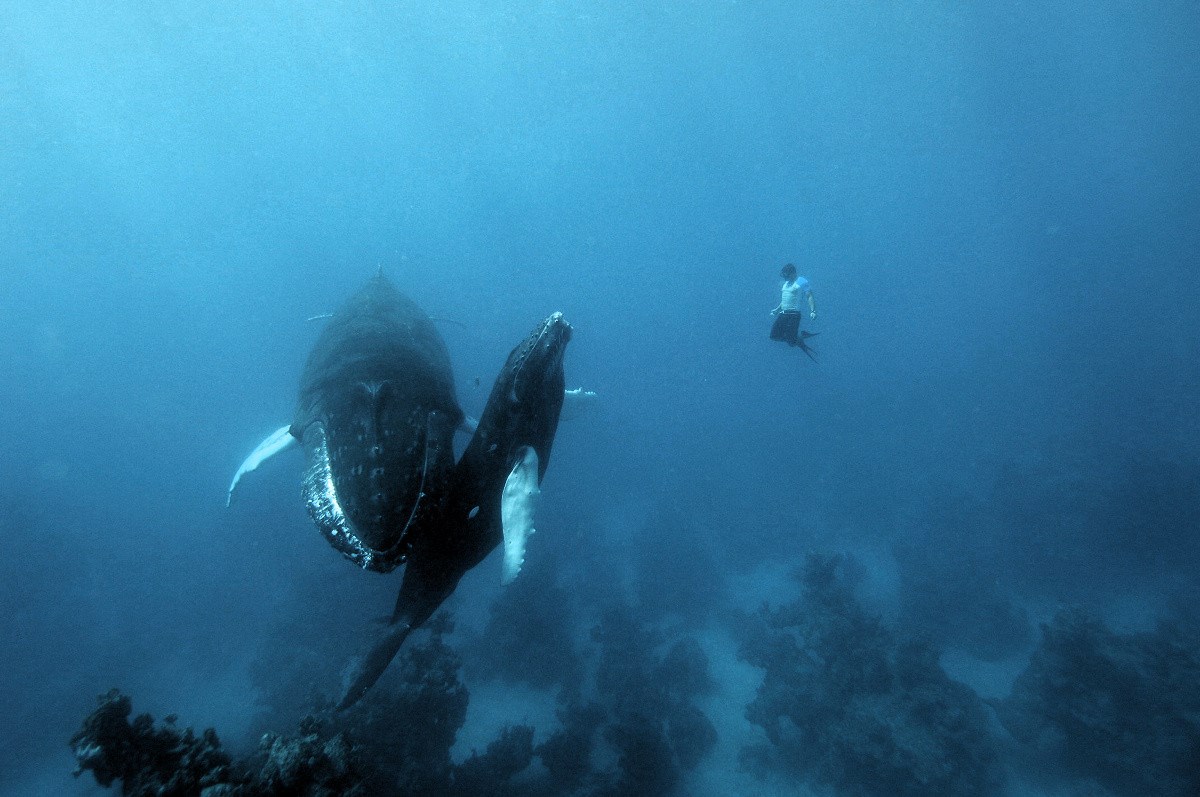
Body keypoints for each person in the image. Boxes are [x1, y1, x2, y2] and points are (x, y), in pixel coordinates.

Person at [769, 263, 817, 356]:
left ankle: (797, 337)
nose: (785, 277)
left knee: (791, 342)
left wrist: (813, 311)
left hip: (794, 315)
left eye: (786, 275)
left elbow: (809, 296)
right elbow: (785, 299)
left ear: (793, 273)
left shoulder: (801, 281)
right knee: (774, 336)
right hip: (783, 313)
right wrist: (777, 310)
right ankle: (798, 338)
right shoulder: (786, 284)